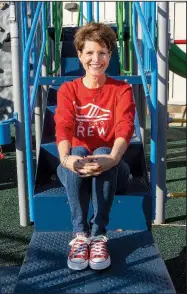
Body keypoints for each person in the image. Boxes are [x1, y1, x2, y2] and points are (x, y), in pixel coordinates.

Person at [55, 22, 135, 271]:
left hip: (111, 168)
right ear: (79, 56)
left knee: (102, 151)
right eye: (89, 52)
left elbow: (125, 126)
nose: (96, 59)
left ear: (110, 55)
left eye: (102, 52)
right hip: (75, 168)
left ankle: (98, 235)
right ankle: (81, 236)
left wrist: (112, 157)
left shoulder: (122, 89)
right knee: (77, 152)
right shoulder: (68, 89)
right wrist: (67, 159)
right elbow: (64, 126)